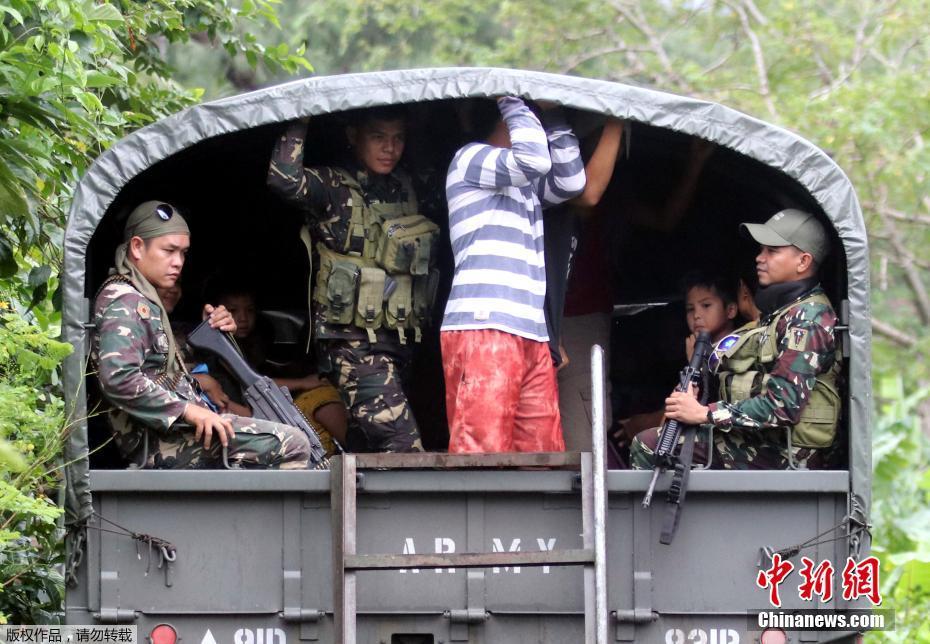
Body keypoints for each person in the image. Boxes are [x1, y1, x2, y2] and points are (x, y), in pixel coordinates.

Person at [92, 201, 314, 469]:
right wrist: (188, 410)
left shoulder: (144, 300)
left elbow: (162, 368)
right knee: (293, 443)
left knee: (284, 432)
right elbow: (118, 378)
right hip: (161, 440)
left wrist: (216, 333)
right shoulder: (125, 300)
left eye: (183, 253)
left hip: (177, 430)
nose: (178, 262)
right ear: (137, 247)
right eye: (169, 251)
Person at [267, 107, 438, 453]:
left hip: (400, 342)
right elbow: (283, 180)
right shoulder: (333, 187)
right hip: (354, 346)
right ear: (353, 136)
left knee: (368, 445)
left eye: (398, 138)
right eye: (378, 137)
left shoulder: (408, 186)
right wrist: (301, 114)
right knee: (401, 444)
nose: (390, 148)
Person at [630, 209, 842, 469]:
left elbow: (783, 406)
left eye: (772, 251)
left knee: (648, 446)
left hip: (790, 454)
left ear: (803, 261)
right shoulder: (784, 312)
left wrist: (704, 414)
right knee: (662, 442)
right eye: (761, 250)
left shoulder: (808, 319)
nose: (760, 258)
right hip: (766, 441)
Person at [440, 96, 586, 453]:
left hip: (531, 333)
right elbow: (534, 159)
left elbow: (572, 182)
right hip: (484, 325)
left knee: (542, 455)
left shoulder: (524, 186)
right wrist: (513, 98)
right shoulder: (470, 158)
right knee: (483, 453)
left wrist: (554, 114)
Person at [214, 283, 349, 455]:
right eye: (233, 310)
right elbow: (254, 383)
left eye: (250, 310)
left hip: (252, 414)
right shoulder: (220, 350)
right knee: (321, 396)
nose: (243, 318)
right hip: (240, 419)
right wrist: (302, 383)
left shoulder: (251, 345)